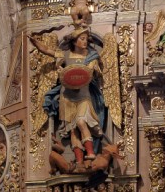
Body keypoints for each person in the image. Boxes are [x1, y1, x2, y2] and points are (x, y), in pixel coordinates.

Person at [30, 27, 107, 167]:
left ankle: (91, 153)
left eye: (86, 39)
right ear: (74, 41)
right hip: (67, 97)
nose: (85, 42)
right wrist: (36, 43)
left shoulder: (91, 56)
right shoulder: (65, 54)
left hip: (83, 95)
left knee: (81, 122)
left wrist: (85, 71)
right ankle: (79, 161)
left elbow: (89, 73)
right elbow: (47, 50)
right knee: (72, 130)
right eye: (82, 39)